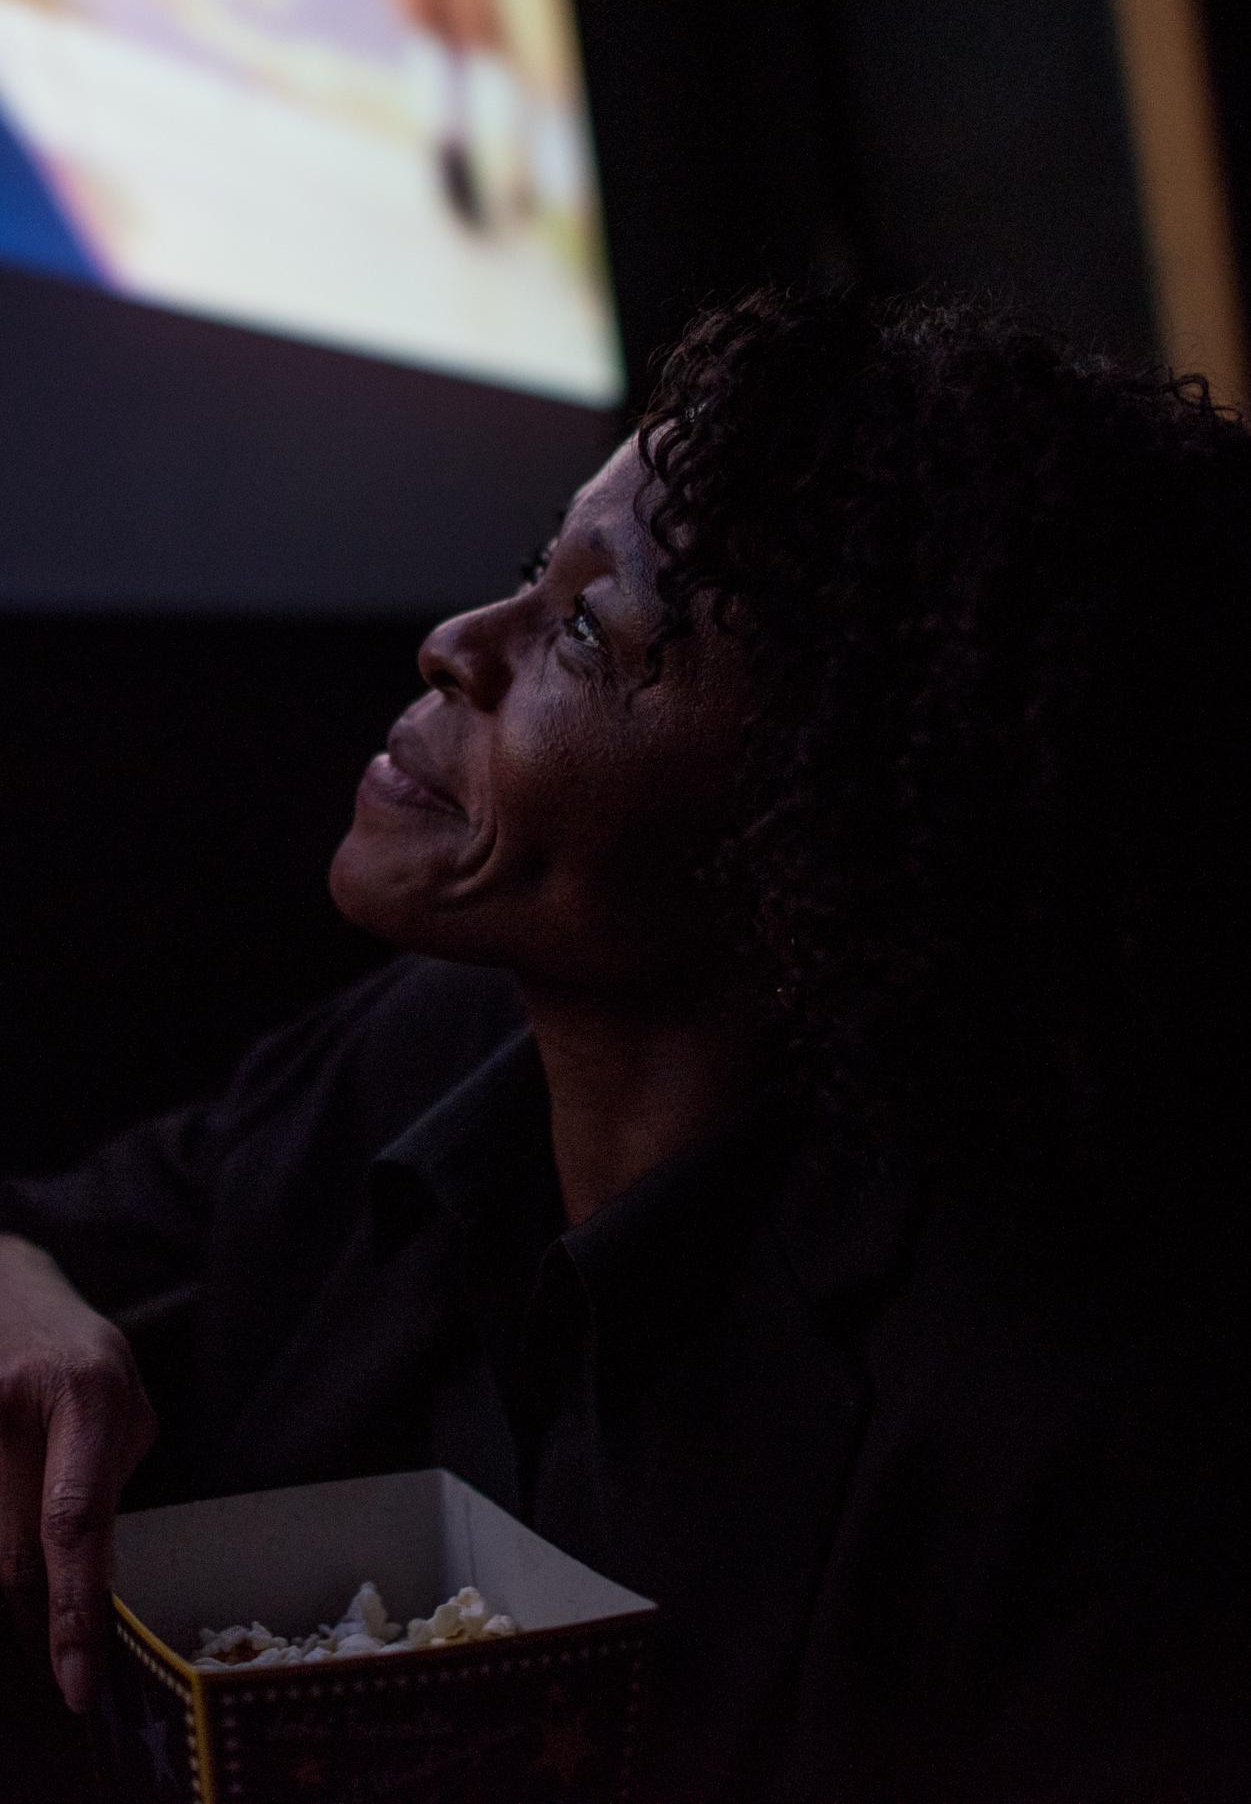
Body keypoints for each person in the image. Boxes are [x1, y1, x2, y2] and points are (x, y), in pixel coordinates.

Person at [1, 286, 1246, 1803]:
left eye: (587, 629)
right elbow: (48, 1234)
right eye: (538, 570)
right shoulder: (436, 1049)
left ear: (821, 832)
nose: (458, 641)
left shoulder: (1054, 1455)